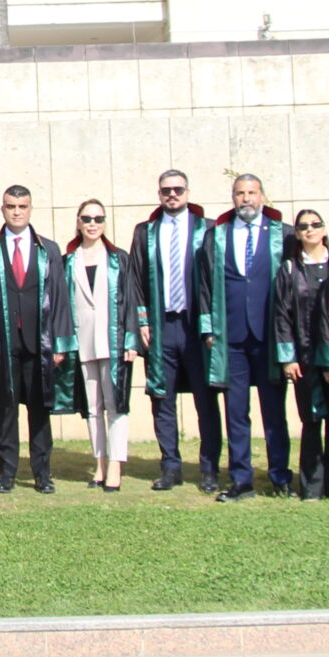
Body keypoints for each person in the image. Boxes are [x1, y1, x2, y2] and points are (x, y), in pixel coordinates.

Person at [0, 185, 76, 494]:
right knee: (6, 411)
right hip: (2, 344)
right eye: (11, 206)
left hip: (39, 343)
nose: (17, 211)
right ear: (2, 209)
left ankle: (43, 475)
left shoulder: (49, 250)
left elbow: (60, 299)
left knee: (40, 410)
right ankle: (7, 475)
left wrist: (60, 343)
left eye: (22, 206)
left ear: (31, 209)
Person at [126, 170, 221, 491]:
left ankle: (209, 469)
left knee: (205, 400)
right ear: (159, 194)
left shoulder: (207, 230)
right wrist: (142, 320)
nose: (172, 195)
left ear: (188, 192)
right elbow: (136, 279)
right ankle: (170, 467)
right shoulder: (146, 232)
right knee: (161, 398)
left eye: (178, 189)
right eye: (166, 190)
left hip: (196, 327)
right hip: (161, 325)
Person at [207, 175, 290, 501]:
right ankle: (241, 479)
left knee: (274, 412)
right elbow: (206, 285)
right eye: (240, 193)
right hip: (233, 338)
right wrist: (209, 329)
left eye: (252, 193)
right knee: (236, 412)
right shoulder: (218, 236)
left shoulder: (282, 236)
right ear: (233, 198)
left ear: (263, 197)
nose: (246, 199)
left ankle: (280, 475)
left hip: (269, 337)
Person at [276, 209, 329, 502]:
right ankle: (311, 486)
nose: (310, 230)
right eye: (303, 226)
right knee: (310, 420)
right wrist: (287, 357)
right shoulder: (290, 269)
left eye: (315, 224)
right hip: (304, 358)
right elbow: (282, 314)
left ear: (324, 229)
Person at [68, 200, 134, 492]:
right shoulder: (67, 259)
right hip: (82, 341)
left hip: (114, 341)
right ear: (79, 222)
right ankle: (100, 462)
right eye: (87, 218)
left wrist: (131, 339)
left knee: (115, 405)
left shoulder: (119, 258)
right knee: (92, 408)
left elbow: (132, 300)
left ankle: (116, 466)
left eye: (98, 218)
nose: (93, 223)